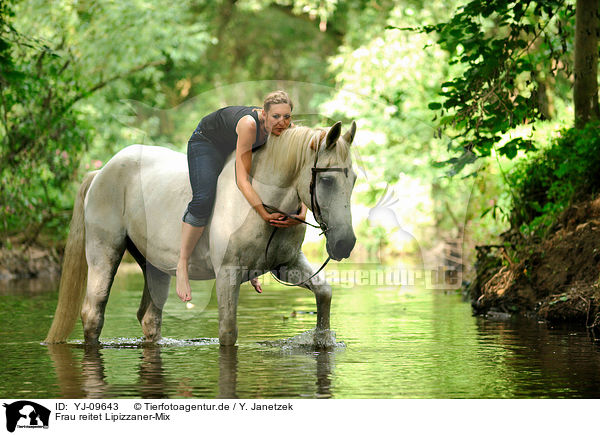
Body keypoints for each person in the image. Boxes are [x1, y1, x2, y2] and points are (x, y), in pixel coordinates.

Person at [176, 90, 306, 302]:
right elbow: (242, 180)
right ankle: (182, 263)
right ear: (264, 114)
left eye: (287, 117)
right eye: (276, 117)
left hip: (237, 144)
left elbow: (298, 173)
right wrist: (264, 214)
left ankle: (249, 265)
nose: (282, 122)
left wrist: (302, 211)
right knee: (204, 199)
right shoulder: (249, 125)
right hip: (207, 142)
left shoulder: (286, 130)